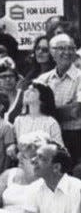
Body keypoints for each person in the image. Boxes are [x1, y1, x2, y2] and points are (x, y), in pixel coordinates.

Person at [35, 33, 81, 161]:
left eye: (71, 48)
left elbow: (76, 110)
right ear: (52, 52)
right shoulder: (43, 79)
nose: (67, 52)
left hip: (74, 137)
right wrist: (65, 109)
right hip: (46, 136)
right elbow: (33, 108)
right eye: (61, 48)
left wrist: (48, 113)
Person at [11, 82, 63, 149]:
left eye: (33, 90)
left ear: (42, 98)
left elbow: (59, 147)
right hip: (23, 158)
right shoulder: (19, 120)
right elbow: (13, 142)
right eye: (27, 89)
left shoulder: (51, 122)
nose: (27, 92)